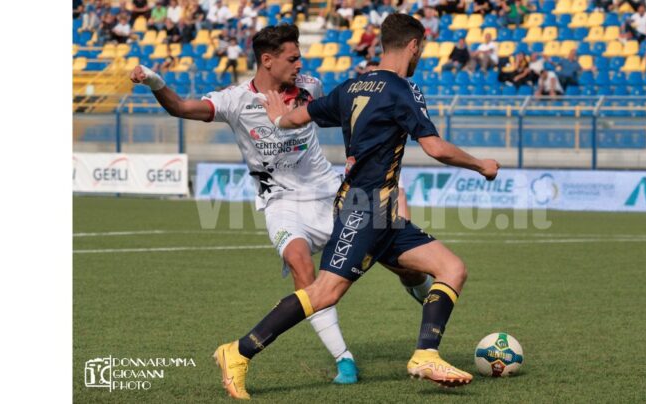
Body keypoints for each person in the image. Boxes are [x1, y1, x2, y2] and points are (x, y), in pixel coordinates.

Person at [129, 23, 434, 395]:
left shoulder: (312, 87)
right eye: (292, 57)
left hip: (330, 195)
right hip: (281, 204)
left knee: (403, 265)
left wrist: (391, 185)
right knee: (301, 263)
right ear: (267, 60)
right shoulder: (234, 100)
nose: (299, 62)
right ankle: (344, 359)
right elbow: (179, 107)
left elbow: (368, 133)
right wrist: (154, 81)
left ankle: (429, 312)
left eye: (300, 55)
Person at [212, 13, 500, 399]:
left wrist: (277, 118)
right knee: (325, 293)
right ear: (413, 46)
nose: (420, 56)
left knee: (451, 268)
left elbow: (298, 117)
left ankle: (426, 354)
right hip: (362, 210)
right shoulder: (403, 90)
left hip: (380, 210)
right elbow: (434, 147)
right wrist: (481, 164)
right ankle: (238, 351)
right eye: (421, 50)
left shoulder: (350, 87)